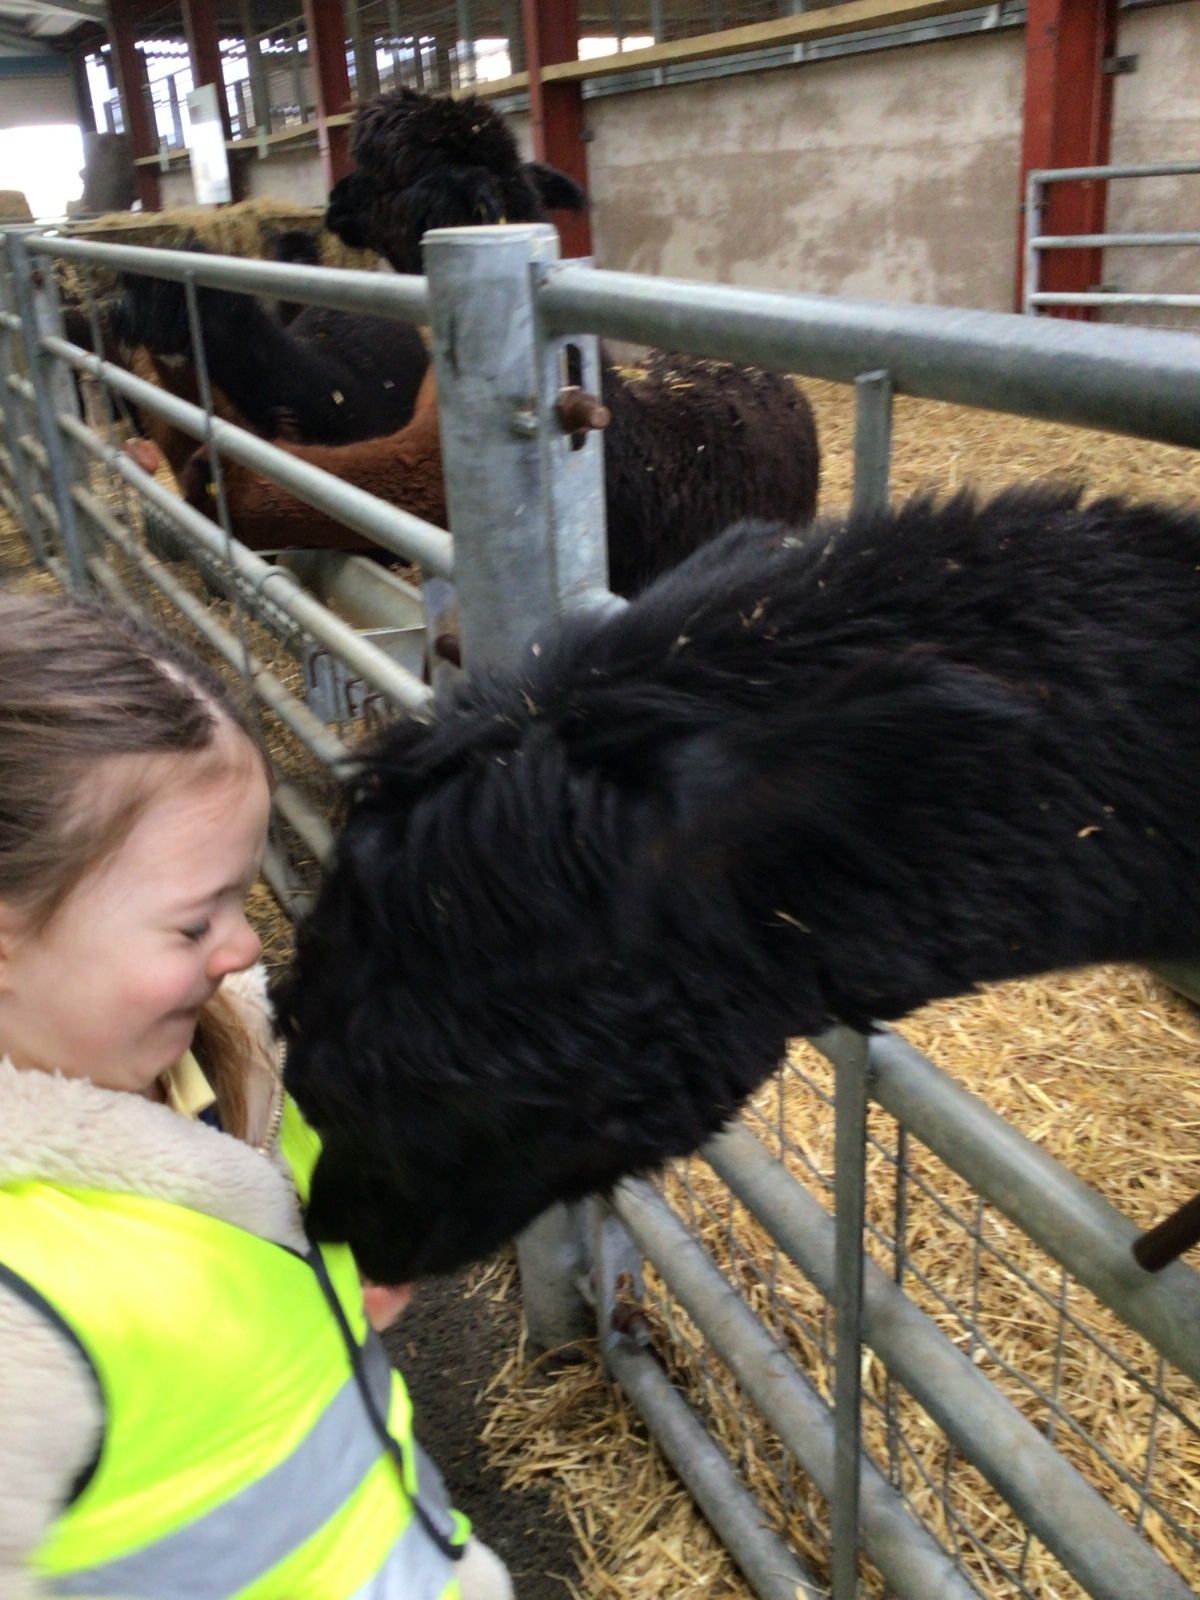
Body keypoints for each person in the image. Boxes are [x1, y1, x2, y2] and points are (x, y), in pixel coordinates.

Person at [0, 590, 513, 1600]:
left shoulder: (227, 1059)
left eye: (243, 897)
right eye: (196, 923)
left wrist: (361, 1245)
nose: (245, 945)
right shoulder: (21, 1319)